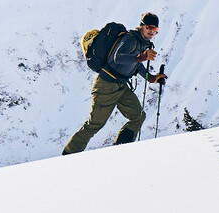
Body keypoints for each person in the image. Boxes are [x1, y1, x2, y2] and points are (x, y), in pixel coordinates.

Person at [63, 12, 168, 155]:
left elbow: (136, 66)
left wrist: (151, 78)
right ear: (142, 26)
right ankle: (68, 155)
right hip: (106, 85)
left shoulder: (143, 43)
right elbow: (117, 58)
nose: (152, 31)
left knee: (138, 116)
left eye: (155, 29)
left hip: (121, 86)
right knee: (94, 125)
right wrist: (140, 57)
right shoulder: (130, 39)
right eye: (149, 27)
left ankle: (120, 150)